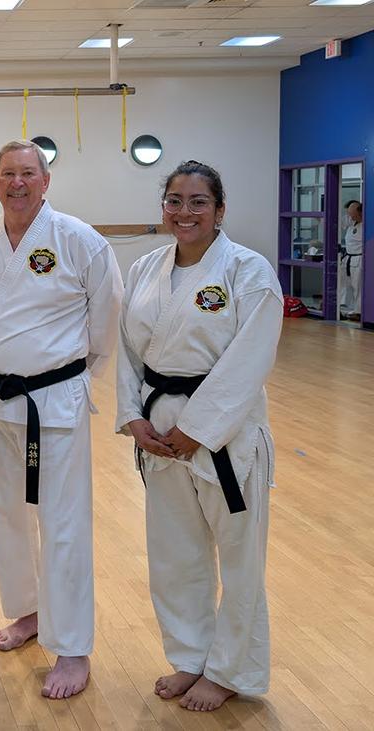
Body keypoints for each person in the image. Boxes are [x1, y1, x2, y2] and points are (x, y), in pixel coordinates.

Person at [0, 140, 122, 699]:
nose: (17, 183)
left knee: (63, 522)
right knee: (4, 514)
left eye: (28, 173)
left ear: (46, 182)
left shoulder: (79, 240)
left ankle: (72, 646)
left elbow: (105, 322)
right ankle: (27, 612)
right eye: (8, 174)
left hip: (53, 399)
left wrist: (68, 376)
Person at [115, 160, 282, 712]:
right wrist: (133, 415)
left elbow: (251, 357)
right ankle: (190, 656)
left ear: (220, 210)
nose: (184, 212)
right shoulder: (146, 268)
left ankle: (231, 670)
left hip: (225, 434)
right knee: (175, 553)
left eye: (198, 202)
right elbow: (128, 351)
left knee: (239, 558)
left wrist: (198, 429)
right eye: (174, 201)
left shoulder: (247, 270)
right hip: (159, 429)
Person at [339, 200, 363, 320]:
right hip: (347, 257)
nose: (351, 217)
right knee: (342, 284)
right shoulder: (351, 221)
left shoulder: (366, 225)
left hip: (359, 258)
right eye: (349, 214)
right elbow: (338, 222)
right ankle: (340, 307)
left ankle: (358, 312)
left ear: (360, 212)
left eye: (353, 214)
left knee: (357, 286)